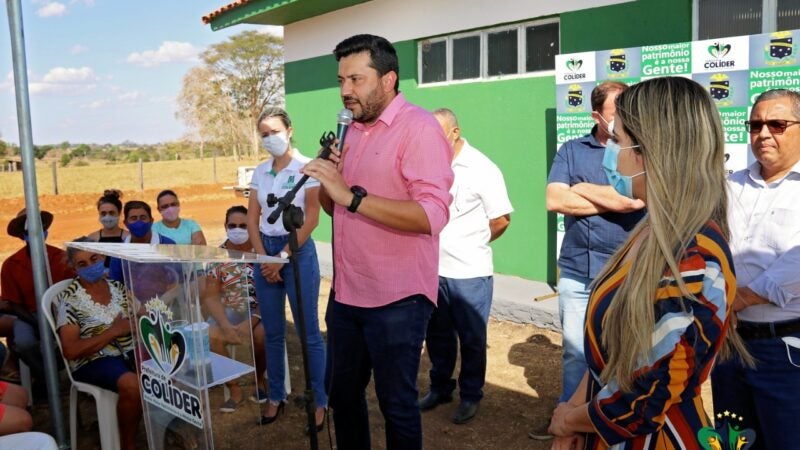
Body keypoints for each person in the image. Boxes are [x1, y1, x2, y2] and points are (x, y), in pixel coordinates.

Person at [547, 76, 748, 449]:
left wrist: (569, 420)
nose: (610, 152)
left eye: (618, 141)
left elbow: (645, 397)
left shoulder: (692, 257)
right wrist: (576, 412)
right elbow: (608, 359)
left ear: (649, 152)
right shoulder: (652, 232)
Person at [301, 34, 454, 449]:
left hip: (398, 299)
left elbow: (431, 216)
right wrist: (332, 187)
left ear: (388, 80)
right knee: (342, 396)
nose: (346, 91)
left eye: (356, 79)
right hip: (348, 293)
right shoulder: (350, 132)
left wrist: (350, 194)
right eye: (341, 80)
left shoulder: (419, 129)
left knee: (396, 404)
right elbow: (341, 211)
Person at [538, 81, 645, 440]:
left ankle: (608, 421)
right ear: (596, 115)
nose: (622, 124)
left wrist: (580, 188)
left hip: (625, 274)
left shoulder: (641, 150)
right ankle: (568, 422)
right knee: (574, 352)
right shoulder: (572, 149)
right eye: (616, 116)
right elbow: (555, 200)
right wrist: (611, 197)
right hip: (577, 274)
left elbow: (637, 202)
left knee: (622, 354)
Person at [711, 88, 800, 450]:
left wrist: (741, 298)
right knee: (733, 443)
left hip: (786, 352)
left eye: (777, 124)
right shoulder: (729, 186)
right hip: (729, 344)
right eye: (755, 125)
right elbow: (712, 246)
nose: (763, 133)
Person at [419, 108, 513, 425]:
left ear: (455, 133)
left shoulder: (482, 168)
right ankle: (440, 387)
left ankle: (470, 394)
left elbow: (501, 219)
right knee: (437, 335)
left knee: (472, 339)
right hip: (433, 270)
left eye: (438, 135)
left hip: (470, 272)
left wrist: (471, 242)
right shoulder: (427, 165)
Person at [246, 107, 327, 429]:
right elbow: (252, 217)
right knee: (274, 333)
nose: (270, 139)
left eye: (275, 132)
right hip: (265, 252)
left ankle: (320, 401)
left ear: (290, 130)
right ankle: (276, 397)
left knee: (309, 334)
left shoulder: (307, 168)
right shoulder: (260, 172)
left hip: (297, 251)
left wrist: (282, 256)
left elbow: (312, 217)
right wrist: (264, 257)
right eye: (264, 134)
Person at [56, 239, 141, 450]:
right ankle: (127, 444)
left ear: (103, 257)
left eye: (94, 259)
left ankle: (165, 427)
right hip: (93, 360)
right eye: (82, 264)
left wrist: (141, 321)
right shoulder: (70, 300)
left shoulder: (118, 288)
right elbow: (70, 350)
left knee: (168, 366)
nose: (90, 266)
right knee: (132, 384)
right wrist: (114, 331)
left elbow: (141, 316)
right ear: (73, 268)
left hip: (129, 350)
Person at [203, 205, 267, 412]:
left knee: (261, 335)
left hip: (260, 309)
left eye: (243, 225)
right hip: (228, 311)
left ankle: (259, 381)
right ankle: (234, 386)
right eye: (233, 225)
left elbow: (272, 293)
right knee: (209, 334)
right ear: (225, 226)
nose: (237, 230)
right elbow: (211, 296)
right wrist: (225, 325)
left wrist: (253, 319)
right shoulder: (218, 255)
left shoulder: (262, 252)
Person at [0, 209, 74, 385]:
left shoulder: (61, 258)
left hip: (61, 312)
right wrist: (38, 323)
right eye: (29, 229)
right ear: (22, 235)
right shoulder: (11, 265)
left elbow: (70, 292)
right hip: (27, 315)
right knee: (24, 343)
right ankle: (47, 381)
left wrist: (54, 320)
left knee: (71, 339)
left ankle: (56, 376)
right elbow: (14, 304)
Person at [107, 200, 176, 283]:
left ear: (151, 221)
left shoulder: (168, 245)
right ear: (126, 223)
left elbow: (178, 281)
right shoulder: (118, 253)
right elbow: (116, 285)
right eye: (133, 218)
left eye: (143, 218)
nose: (138, 222)